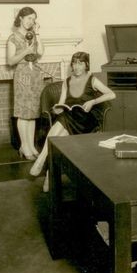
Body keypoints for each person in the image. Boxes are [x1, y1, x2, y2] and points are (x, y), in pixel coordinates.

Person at [29, 52, 115, 190]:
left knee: (58, 130)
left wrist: (93, 101)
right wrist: (57, 108)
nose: (76, 66)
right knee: (60, 126)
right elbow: (62, 103)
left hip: (87, 121)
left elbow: (112, 94)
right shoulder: (67, 81)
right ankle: (47, 171)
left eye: (80, 63)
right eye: (74, 63)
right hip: (70, 117)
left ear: (86, 65)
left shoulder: (92, 80)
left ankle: (44, 166)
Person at [6, 6, 44, 161]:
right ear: (20, 18)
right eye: (29, 18)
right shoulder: (13, 38)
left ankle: (31, 146)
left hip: (34, 74)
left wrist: (38, 34)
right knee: (23, 112)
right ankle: (24, 146)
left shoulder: (33, 35)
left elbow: (40, 53)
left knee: (32, 112)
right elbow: (10, 61)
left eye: (34, 19)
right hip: (22, 75)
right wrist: (25, 52)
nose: (31, 22)